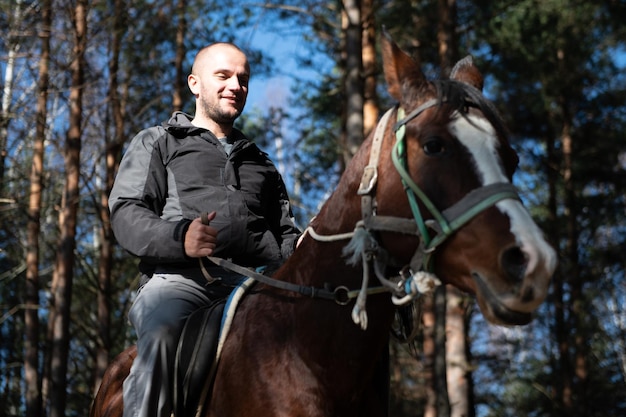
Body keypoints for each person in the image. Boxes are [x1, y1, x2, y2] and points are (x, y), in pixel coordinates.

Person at [108, 42, 301, 417]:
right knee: (162, 334)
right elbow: (127, 212)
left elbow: (286, 234)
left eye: (243, 79)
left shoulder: (261, 161)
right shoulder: (159, 141)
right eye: (224, 76)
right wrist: (181, 238)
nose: (236, 86)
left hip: (262, 287)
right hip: (182, 282)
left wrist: (307, 252)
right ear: (195, 84)